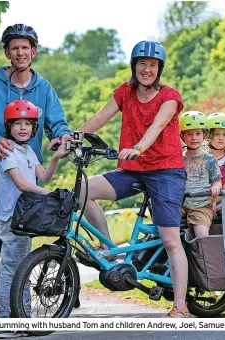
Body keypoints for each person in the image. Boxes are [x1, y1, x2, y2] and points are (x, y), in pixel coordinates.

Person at [0, 24, 72, 339]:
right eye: (14, 48)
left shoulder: (44, 88)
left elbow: (57, 122)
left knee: (23, 245)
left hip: (28, 176)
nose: (20, 53)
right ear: (7, 53)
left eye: (25, 47)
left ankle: (20, 313)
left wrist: (62, 139)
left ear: (34, 52)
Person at [77, 40, 189, 318]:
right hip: (132, 169)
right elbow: (101, 116)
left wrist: (138, 148)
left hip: (166, 171)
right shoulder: (125, 92)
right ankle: (109, 249)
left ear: (159, 69)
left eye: (152, 65)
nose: (147, 69)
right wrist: (73, 136)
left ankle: (181, 306)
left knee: (171, 239)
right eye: (142, 64)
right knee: (82, 189)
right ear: (134, 67)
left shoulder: (170, 96)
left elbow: (158, 125)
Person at [0, 100, 69, 338]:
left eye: (28, 123)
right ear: (9, 126)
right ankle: (8, 320)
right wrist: (53, 195)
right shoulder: (8, 151)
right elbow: (22, 184)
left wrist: (56, 156)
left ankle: (23, 317)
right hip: (11, 216)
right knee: (11, 268)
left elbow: (44, 177)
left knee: (23, 267)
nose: (23, 128)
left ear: (34, 127)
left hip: (25, 215)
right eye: (18, 124)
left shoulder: (28, 151)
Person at [179, 111, 222, 238]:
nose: (194, 137)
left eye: (198, 133)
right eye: (189, 134)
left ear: (204, 135)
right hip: (179, 204)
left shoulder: (209, 159)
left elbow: (217, 181)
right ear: (182, 136)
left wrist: (215, 187)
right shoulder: (177, 158)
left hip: (202, 205)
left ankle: (205, 257)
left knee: (202, 234)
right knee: (165, 227)